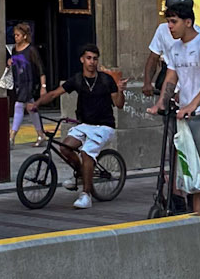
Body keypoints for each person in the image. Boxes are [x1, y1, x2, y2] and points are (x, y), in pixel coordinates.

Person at [156, 3, 200, 213]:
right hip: (187, 118)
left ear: (188, 22)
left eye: (173, 21)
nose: (169, 26)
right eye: (168, 22)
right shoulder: (175, 48)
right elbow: (171, 77)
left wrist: (193, 104)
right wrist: (161, 102)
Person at [44, 45, 124, 209]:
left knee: (86, 153)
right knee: (65, 147)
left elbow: (119, 104)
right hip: (85, 124)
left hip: (104, 126)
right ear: (82, 60)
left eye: (95, 59)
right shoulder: (78, 79)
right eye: (88, 58)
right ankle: (81, 174)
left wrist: (121, 90)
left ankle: (86, 194)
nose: (92, 62)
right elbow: (54, 94)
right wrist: (35, 104)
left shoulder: (106, 80)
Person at [7, 23, 47, 144]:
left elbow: (40, 69)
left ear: (24, 36)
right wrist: (10, 62)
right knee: (31, 109)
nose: (16, 37)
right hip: (19, 83)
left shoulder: (31, 50)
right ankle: (40, 134)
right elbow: (15, 64)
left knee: (19, 106)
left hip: (29, 83)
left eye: (18, 35)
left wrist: (43, 86)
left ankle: (12, 136)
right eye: (15, 35)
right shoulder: (14, 49)